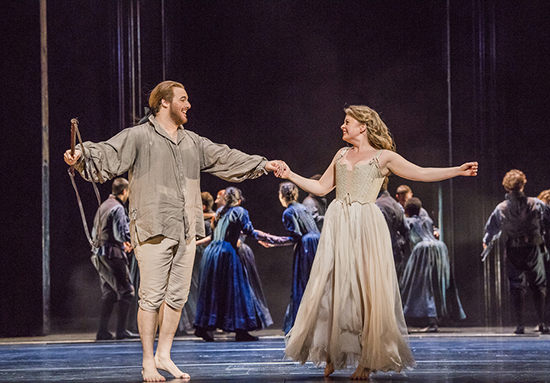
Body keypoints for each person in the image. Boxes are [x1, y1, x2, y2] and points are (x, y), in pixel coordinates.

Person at [64, 80, 280, 382]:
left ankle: (164, 355)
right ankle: (147, 361)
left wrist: (263, 164)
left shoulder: (192, 142)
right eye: (183, 99)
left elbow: (225, 156)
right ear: (164, 102)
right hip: (154, 227)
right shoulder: (138, 136)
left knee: (176, 298)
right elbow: (107, 153)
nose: (188, 104)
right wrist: (81, 156)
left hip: (186, 228)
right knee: (151, 297)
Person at [274, 105, 478, 380]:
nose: (343, 127)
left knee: (366, 289)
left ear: (363, 126)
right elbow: (322, 188)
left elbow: (420, 172)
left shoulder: (384, 157)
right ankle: (333, 352)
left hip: (365, 225)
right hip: (339, 223)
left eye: (347, 122)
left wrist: (457, 171)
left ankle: (367, 361)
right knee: (334, 287)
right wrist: (290, 175)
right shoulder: (341, 154)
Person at [193, 187, 284, 341]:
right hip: (227, 253)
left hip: (213, 252)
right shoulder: (239, 211)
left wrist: (193, 244)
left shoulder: (220, 212)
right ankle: (240, 329)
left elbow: (213, 236)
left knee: (214, 291)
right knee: (238, 290)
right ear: (238, 199)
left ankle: (205, 327)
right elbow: (248, 231)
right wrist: (267, 237)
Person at [483, 170, 550, 335]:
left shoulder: (502, 207)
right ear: (523, 183)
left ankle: (520, 325)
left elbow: (491, 230)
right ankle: (541, 322)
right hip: (533, 248)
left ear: (506, 186)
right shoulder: (536, 203)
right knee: (538, 285)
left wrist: (486, 242)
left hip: (514, 248)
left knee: (517, 286)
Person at [260, 182, 321, 334]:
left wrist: (273, 241)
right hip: (317, 243)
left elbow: (296, 235)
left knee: (303, 283)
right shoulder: (303, 208)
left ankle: (302, 325)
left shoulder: (288, 212)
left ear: (281, 196)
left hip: (306, 247)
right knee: (316, 283)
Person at [400, 197, 466, 332]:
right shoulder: (427, 220)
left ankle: (417, 319)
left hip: (423, 250)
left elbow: (406, 237)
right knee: (437, 284)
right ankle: (435, 319)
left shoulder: (408, 222)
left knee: (418, 285)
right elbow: (435, 232)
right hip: (439, 248)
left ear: (406, 210)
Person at [91, 177, 139, 341]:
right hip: (113, 253)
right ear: (125, 191)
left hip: (99, 254)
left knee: (110, 292)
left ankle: (102, 331)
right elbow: (121, 234)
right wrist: (130, 242)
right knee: (127, 292)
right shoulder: (117, 208)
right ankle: (121, 331)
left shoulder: (104, 205)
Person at [177, 191, 215, 335]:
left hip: (198, 255)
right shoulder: (213, 217)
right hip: (205, 255)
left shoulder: (205, 221)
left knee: (194, 289)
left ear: (203, 207)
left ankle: (197, 320)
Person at [375, 177, 410, 280]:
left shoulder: (376, 205)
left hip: (380, 253)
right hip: (396, 252)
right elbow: (406, 230)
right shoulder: (396, 205)